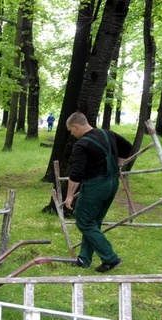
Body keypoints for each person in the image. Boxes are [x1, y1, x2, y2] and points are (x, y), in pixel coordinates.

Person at [64, 112, 132, 273]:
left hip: (95, 186)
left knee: (84, 222)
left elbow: (76, 174)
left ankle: (110, 258)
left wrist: (68, 197)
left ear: (76, 126)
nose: (72, 135)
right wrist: (118, 164)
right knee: (94, 222)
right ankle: (84, 259)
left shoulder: (81, 145)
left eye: (71, 131)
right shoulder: (107, 134)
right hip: (112, 183)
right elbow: (127, 147)